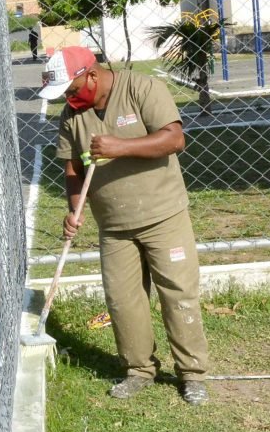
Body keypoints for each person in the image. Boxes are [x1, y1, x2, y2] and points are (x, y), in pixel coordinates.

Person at [40, 46, 210, 404]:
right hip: (113, 225)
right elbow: (73, 168)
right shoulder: (73, 116)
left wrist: (121, 146)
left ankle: (192, 374)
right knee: (122, 301)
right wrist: (75, 208)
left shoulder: (142, 89)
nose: (69, 99)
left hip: (163, 216)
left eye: (72, 90)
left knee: (178, 294)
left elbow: (174, 139)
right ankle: (138, 370)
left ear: (91, 74)